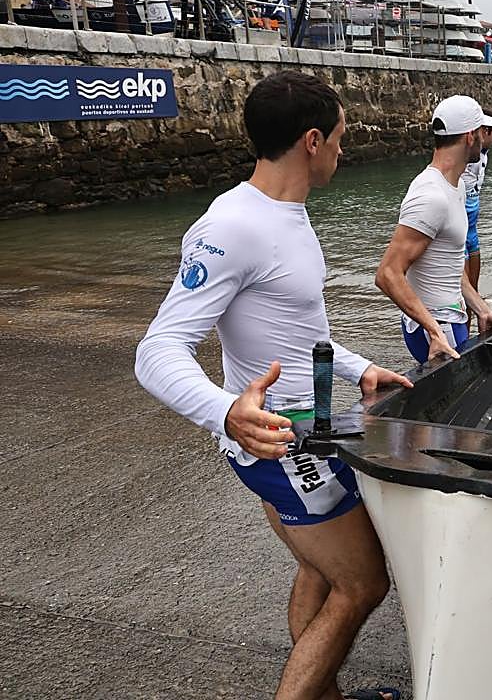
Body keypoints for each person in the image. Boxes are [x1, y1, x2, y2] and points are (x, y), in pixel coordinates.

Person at [134, 71, 410, 700]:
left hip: (300, 436)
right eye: (340, 138)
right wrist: (227, 411)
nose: (344, 149)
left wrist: (357, 367)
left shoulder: (286, 214)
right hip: (282, 448)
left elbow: (293, 330)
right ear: (312, 141)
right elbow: (157, 350)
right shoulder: (233, 226)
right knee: (363, 585)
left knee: (319, 573)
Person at [375, 95, 492, 363]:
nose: (484, 138)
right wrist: (434, 330)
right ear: (471, 136)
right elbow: (388, 274)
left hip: (452, 317)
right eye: (482, 132)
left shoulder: (456, 186)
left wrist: (481, 308)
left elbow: (450, 263)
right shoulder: (430, 195)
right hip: (437, 325)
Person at [462, 111, 492, 292]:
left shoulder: (484, 154)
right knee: (462, 293)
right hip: (461, 229)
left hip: (473, 230)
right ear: (483, 132)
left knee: (474, 289)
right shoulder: (467, 155)